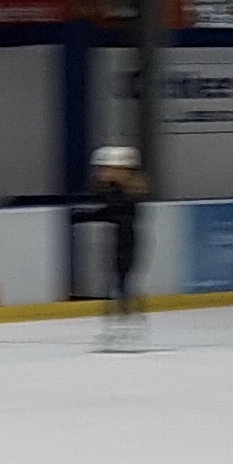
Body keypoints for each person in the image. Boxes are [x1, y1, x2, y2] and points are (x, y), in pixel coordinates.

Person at [85, 142, 146, 342]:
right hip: (116, 242)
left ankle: (127, 325)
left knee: (121, 284)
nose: (104, 173)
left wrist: (81, 216)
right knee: (116, 284)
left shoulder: (130, 194)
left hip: (127, 243)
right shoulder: (116, 193)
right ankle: (119, 325)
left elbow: (113, 213)